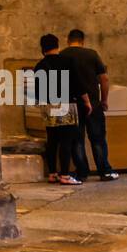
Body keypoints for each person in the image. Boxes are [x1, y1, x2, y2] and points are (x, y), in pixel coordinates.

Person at [33, 33, 90, 185]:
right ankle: (65, 175)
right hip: (66, 103)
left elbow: (36, 91)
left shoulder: (40, 66)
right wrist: (87, 102)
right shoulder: (67, 61)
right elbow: (79, 84)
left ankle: (52, 174)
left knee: (52, 140)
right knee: (66, 140)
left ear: (42, 48)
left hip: (48, 105)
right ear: (57, 45)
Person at [62, 28, 119, 181]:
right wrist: (104, 100)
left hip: (71, 105)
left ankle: (81, 172)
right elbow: (104, 79)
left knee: (77, 140)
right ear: (82, 41)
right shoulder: (91, 54)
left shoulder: (62, 55)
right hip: (93, 104)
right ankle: (104, 171)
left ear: (68, 40)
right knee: (98, 139)